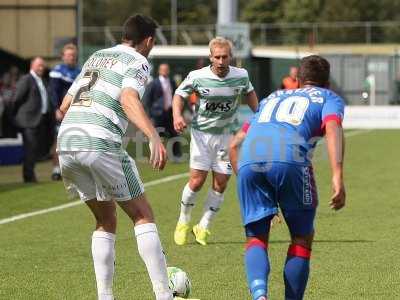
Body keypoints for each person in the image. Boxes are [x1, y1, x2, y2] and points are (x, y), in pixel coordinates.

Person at [56, 15, 173, 300]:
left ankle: (105, 297)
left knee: (106, 219)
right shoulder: (139, 60)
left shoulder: (96, 55)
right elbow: (128, 98)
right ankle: (164, 295)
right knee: (142, 215)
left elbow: (64, 105)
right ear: (148, 41)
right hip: (99, 141)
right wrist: (153, 135)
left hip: (67, 140)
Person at [229, 55, 346, 300]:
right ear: (327, 83)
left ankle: (259, 295)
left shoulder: (272, 96)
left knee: (256, 237)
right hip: (289, 158)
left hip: (250, 157)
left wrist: (249, 180)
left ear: (298, 79)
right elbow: (333, 127)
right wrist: (337, 175)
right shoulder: (328, 97)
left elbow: (234, 144)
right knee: (302, 236)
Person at [172, 37, 259, 246]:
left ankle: (204, 226)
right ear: (211, 57)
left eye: (225, 57)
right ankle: (183, 221)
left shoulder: (241, 75)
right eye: (217, 57)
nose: (221, 61)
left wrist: (260, 117)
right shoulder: (197, 76)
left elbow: (250, 94)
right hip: (202, 135)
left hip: (227, 136)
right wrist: (177, 115)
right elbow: (178, 95)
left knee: (221, 183)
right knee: (197, 181)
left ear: (231, 57)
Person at [13, 57, 55, 183]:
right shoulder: (27, 79)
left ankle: (30, 174)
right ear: (32, 66)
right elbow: (16, 99)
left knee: (35, 149)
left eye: (43, 66)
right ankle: (29, 177)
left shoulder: (42, 80)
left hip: (40, 120)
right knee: (30, 148)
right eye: (39, 65)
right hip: (28, 121)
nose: (41, 68)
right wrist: (18, 116)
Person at [49, 43, 81, 180]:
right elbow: (53, 92)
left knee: (77, 139)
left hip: (77, 112)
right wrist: (56, 108)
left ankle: (73, 168)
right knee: (59, 140)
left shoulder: (80, 71)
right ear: (63, 56)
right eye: (68, 55)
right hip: (62, 111)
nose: (71, 57)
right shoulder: (57, 71)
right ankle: (56, 169)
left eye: (73, 55)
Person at [143, 63, 181, 159]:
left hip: (169, 113)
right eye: (162, 69)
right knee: (157, 136)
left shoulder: (172, 82)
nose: (164, 71)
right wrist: (150, 116)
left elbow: (176, 96)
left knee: (174, 134)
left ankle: (176, 155)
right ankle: (157, 155)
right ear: (159, 71)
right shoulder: (153, 83)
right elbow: (147, 100)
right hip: (157, 114)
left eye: (166, 69)